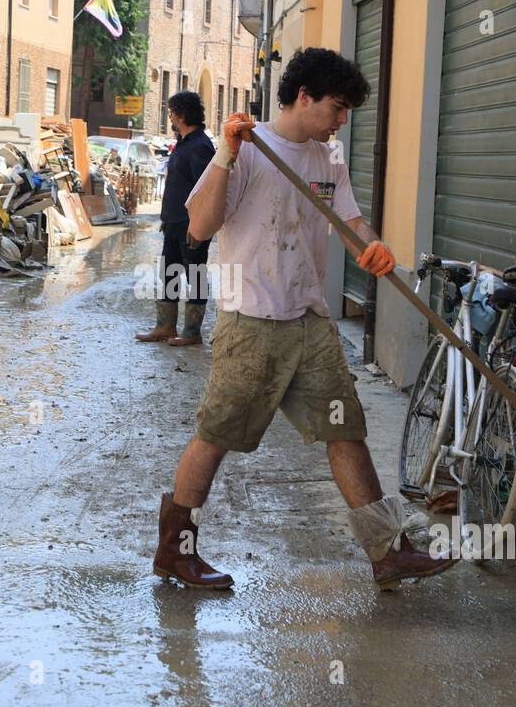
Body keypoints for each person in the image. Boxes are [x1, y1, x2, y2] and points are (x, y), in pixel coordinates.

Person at [152, 48, 455, 592]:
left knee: (346, 430)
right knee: (215, 436)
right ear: (304, 97)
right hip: (253, 322)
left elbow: (349, 221)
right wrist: (224, 154)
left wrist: (373, 247)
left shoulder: (327, 158)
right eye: (337, 108)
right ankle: (175, 551)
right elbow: (198, 226)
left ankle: (388, 551)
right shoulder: (248, 150)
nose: (342, 120)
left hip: (310, 321)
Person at [135, 91, 215, 346]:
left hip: (191, 224)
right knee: (169, 273)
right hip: (174, 222)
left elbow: (206, 189)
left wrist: (198, 224)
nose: (170, 117)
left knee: (196, 276)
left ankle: (192, 333)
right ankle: (166, 327)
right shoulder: (184, 141)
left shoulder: (200, 145)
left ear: (181, 114)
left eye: (171, 112)